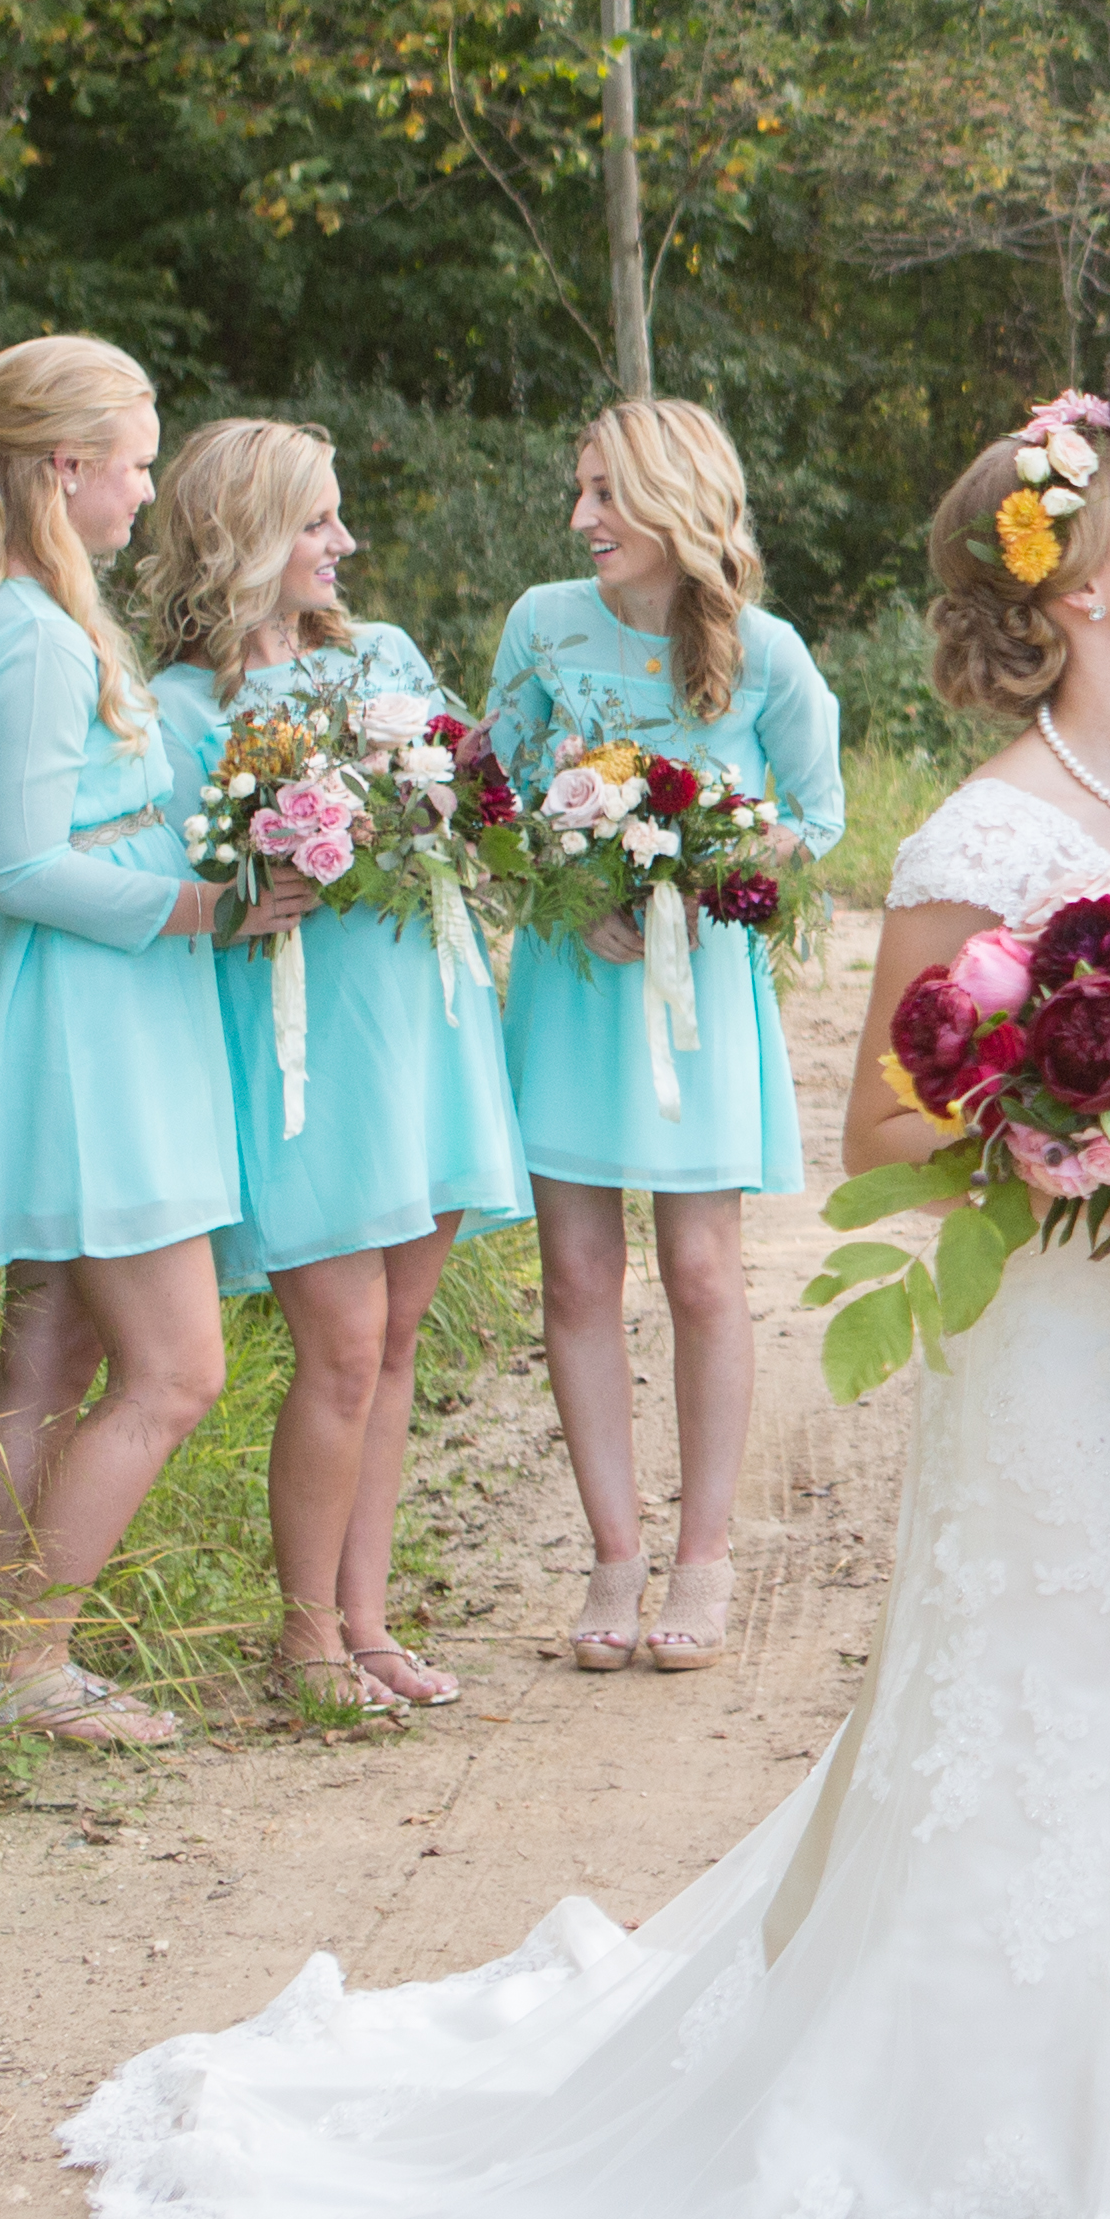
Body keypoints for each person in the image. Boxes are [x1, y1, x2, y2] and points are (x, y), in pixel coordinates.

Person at [65, 412, 1110, 2219]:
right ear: (1079, 582)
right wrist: (1087, 1133)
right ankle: (992, 2108)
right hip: (1052, 1352)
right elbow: (883, 1131)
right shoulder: (983, 838)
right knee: (1055, 1682)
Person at [0, 335, 308, 1753]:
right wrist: (206, 906)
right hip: (89, 1020)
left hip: (85, 1004)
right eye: (135, 462)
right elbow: (13, 863)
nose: (146, 490)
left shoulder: (17, 611)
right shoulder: (26, 633)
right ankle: (29, 1659)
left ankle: (12, 1662)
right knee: (175, 1371)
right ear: (66, 465)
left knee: (50, 1354)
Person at [138, 418, 530, 1721]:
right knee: (344, 1346)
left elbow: (476, 801)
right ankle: (304, 1640)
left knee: (400, 1333)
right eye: (316, 522)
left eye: (339, 519)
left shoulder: (384, 657)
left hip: (421, 1012)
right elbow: (186, 884)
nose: (343, 545)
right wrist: (256, 874)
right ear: (242, 532)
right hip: (301, 1042)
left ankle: (368, 1625)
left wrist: (458, 798)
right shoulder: (185, 710)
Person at [486, 398, 848, 1676]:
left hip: (701, 995)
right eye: (579, 491)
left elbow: (817, 812)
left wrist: (715, 877)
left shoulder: (766, 653)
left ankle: (704, 1555)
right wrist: (571, 886)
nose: (580, 519)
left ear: (674, 505)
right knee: (579, 1276)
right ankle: (613, 1554)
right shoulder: (542, 627)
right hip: (574, 985)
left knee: (700, 1274)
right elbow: (497, 788)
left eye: (604, 496)